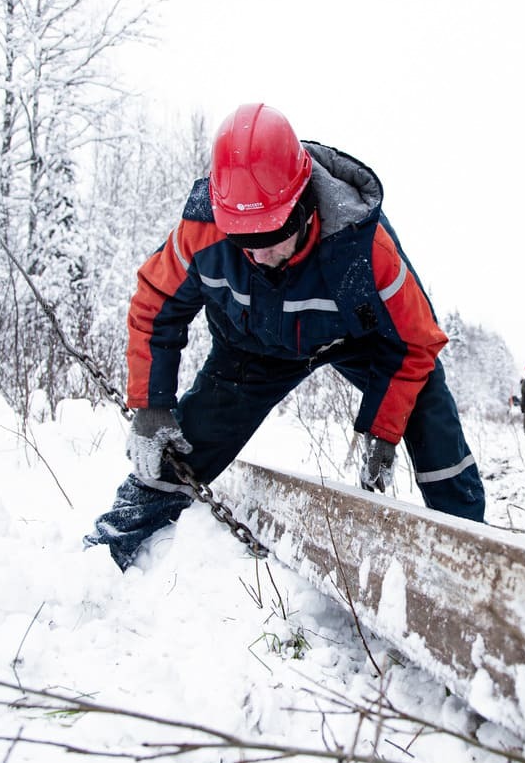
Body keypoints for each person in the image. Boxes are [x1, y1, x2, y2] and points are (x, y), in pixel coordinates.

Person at [84, 103, 486, 571]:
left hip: (353, 339)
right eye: (245, 240)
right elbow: (154, 305)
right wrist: (150, 404)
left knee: (426, 402)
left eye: (275, 233)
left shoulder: (364, 246)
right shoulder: (201, 232)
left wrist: (383, 429)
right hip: (251, 347)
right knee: (180, 446)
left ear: (303, 205)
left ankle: (472, 551)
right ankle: (108, 552)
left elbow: (417, 340)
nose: (263, 254)